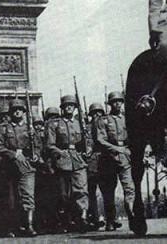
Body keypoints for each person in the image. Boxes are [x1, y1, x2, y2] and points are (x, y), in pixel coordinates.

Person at [0, 99, 42, 237]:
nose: (17, 111)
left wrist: (36, 156)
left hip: (27, 165)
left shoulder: (30, 129)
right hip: (9, 167)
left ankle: (29, 225)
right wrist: (13, 154)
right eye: (14, 109)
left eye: (20, 109)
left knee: (28, 196)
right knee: (11, 199)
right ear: (10, 112)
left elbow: (38, 145)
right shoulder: (3, 128)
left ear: (23, 112)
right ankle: (12, 227)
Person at [92, 91, 136, 232]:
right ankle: (110, 220)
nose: (118, 104)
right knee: (108, 192)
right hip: (108, 159)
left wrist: (128, 149)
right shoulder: (104, 120)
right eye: (115, 101)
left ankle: (131, 213)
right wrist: (116, 148)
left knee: (129, 188)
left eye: (120, 101)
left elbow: (134, 137)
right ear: (110, 104)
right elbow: (100, 140)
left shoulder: (127, 119)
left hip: (125, 158)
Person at [46, 95, 90, 233]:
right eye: (66, 105)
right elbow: (50, 145)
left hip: (78, 159)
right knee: (63, 194)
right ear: (63, 108)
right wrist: (60, 153)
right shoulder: (54, 124)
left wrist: (87, 149)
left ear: (75, 108)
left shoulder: (80, 123)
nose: (69, 107)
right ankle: (65, 220)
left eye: (71, 105)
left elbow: (86, 142)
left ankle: (82, 218)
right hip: (62, 160)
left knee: (81, 189)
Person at [86, 103, 107, 231]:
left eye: (99, 113)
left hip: (105, 162)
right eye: (94, 113)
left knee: (107, 192)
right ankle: (94, 218)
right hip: (91, 163)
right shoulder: (87, 128)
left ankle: (111, 218)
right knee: (91, 193)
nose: (96, 115)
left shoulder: (105, 126)